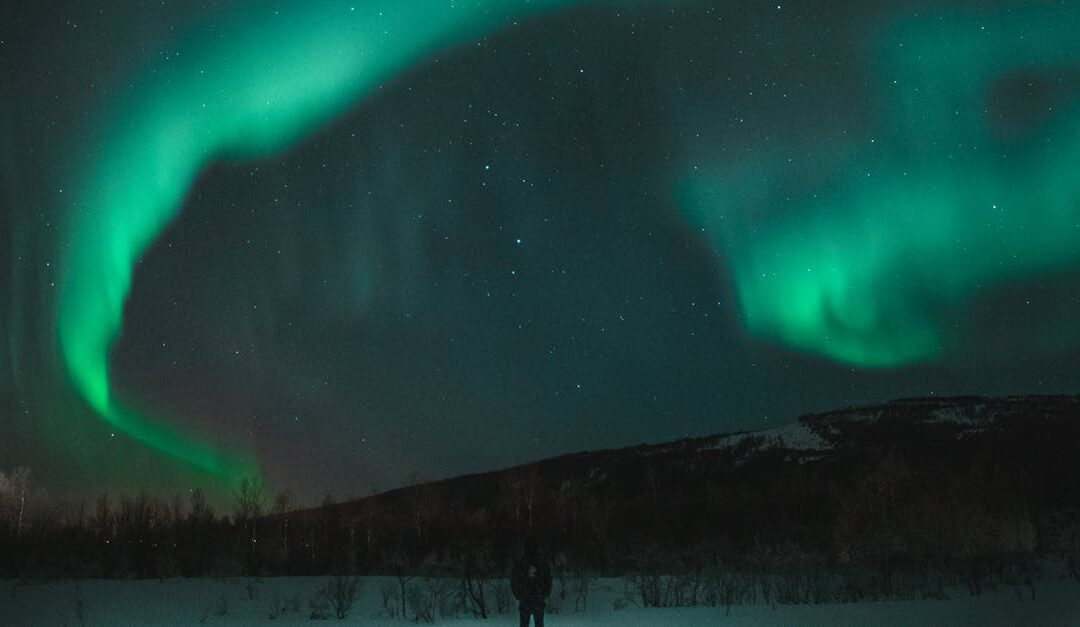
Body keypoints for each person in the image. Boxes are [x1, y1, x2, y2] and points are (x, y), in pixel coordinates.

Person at [510, 537, 552, 627]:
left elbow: (514, 581)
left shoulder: (521, 563)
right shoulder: (542, 563)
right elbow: (548, 580)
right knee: (537, 624)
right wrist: (545, 594)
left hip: (528, 598)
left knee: (525, 624)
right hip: (535, 598)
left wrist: (518, 595)